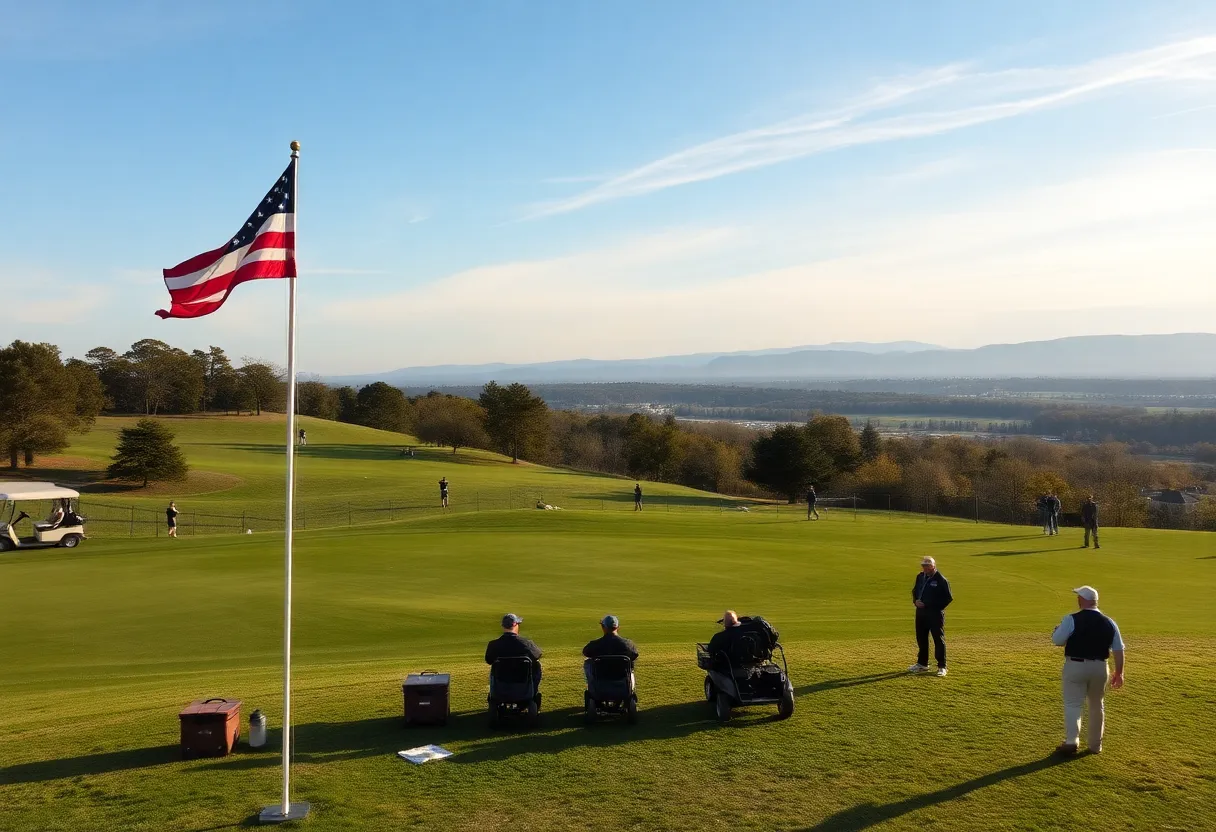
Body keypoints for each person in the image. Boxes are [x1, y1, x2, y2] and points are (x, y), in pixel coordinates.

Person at [1050, 585, 1125, 755]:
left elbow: (1057, 640)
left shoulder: (1071, 619)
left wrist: (1057, 631)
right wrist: (1119, 673)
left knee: (1073, 703)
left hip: (1075, 665)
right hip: (1100, 667)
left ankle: (1071, 741)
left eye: (1078, 597)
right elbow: (1119, 650)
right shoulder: (1110, 622)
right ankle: (1095, 745)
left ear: (1082, 600)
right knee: (1097, 705)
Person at [485, 613, 543, 704]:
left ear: (502, 626)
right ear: (515, 625)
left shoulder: (494, 645)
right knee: (537, 665)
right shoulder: (527, 643)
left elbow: (489, 660)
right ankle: (533, 692)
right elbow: (538, 655)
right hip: (522, 679)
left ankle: (494, 694)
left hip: (502, 680)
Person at [908, 556, 952, 676]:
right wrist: (915, 601)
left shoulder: (941, 580)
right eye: (923, 565)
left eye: (927, 565)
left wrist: (930, 605)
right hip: (921, 613)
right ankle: (922, 663)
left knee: (938, 639)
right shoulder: (920, 577)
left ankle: (942, 666)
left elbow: (947, 598)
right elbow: (915, 591)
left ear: (933, 566)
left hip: (935, 614)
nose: (925, 568)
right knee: (921, 638)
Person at [582, 614, 639, 686]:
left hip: (601, 677)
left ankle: (591, 685)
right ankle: (631, 687)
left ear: (603, 627)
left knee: (587, 662)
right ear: (618, 627)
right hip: (622, 678)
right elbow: (635, 655)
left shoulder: (595, 645)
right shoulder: (629, 644)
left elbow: (585, 652)